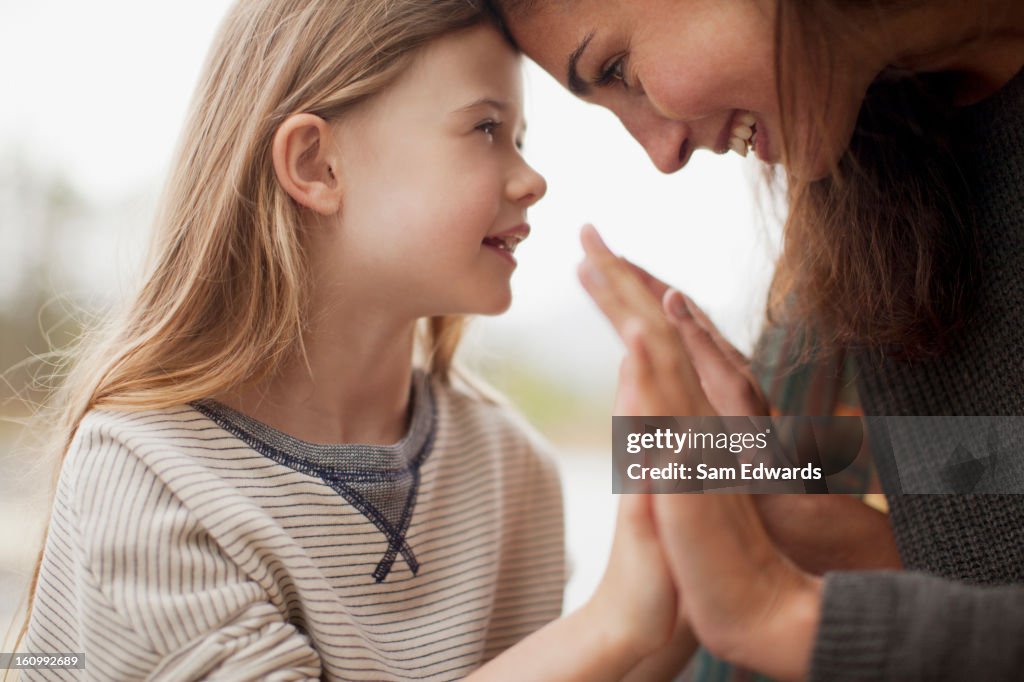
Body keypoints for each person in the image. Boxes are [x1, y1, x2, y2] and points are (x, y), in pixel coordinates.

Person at [18, 2, 690, 679]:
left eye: (520, 137)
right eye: (486, 128)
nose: (531, 179)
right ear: (316, 165)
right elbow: (605, 638)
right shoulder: (145, 475)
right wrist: (612, 621)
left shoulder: (507, 463)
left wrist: (738, 474)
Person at [487, 0, 1024, 679]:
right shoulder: (880, 189)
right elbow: (993, 510)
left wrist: (781, 612)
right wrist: (794, 501)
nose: (662, 155)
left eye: (618, 67)